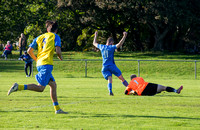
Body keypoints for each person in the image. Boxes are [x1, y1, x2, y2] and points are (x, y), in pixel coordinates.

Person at [7, 20, 67, 114]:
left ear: (47, 29)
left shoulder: (40, 37)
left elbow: (29, 50)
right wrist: (61, 57)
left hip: (40, 64)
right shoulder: (56, 36)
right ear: (56, 30)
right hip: (46, 64)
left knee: (53, 85)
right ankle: (18, 87)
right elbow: (58, 51)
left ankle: (57, 109)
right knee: (40, 88)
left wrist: (36, 60)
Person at [93, 31, 129, 96]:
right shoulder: (111, 47)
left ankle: (110, 91)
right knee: (121, 78)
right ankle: (130, 88)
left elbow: (94, 43)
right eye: (112, 43)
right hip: (112, 66)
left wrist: (96, 35)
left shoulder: (102, 47)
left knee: (110, 78)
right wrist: (124, 36)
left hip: (105, 67)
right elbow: (119, 44)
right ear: (111, 42)